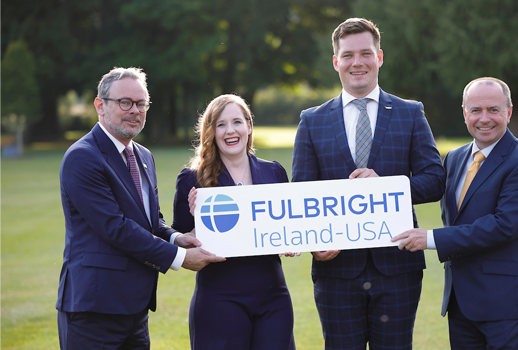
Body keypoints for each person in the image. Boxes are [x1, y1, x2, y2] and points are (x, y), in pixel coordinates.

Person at [292, 18, 446, 349]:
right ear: (336, 62)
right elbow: (301, 194)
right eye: (348, 55)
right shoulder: (312, 121)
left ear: (379, 57)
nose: (357, 62)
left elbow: (434, 181)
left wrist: (389, 186)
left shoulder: (410, 113)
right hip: (336, 270)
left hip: (397, 267)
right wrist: (313, 242)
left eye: (366, 53)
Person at [56, 67, 224, 349]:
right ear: (100, 106)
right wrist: (180, 256)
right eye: (125, 102)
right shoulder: (82, 158)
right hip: (93, 309)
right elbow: (116, 228)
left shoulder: (143, 155)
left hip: (135, 309)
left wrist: (176, 237)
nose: (134, 110)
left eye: (141, 103)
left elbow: (150, 219)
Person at [393, 77, 518, 349]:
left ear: (509, 113)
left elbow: (504, 226)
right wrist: (376, 188)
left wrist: (430, 239)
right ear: (464, 113)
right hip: (461, 302)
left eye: (494, 110)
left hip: (507, 304)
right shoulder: (454, 158)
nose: (484, 118)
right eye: (476, 110)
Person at [173, 94, 296, 350]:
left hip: (273, 299)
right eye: (220, 124)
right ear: (211, 132)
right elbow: (182, 244)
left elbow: (288, 226)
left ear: (249, 126)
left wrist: (292, 240)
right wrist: (198, 227)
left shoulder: (274, 172)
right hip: (219, 300)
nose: (230, 130)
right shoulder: (191, 181)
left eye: (237, 122)